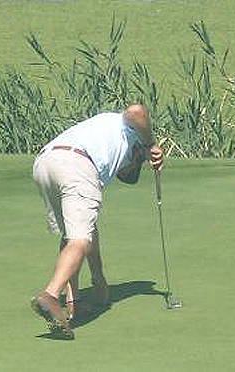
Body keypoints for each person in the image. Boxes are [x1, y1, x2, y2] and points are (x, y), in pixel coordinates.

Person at [31, 104, 163, 339]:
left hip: (46, 162)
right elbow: (137, 110)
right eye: (129, 167)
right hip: (77, 164)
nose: (123, 168)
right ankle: (50, 295)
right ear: (137, 154)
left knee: (74, 238)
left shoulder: (105, 132)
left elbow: (89, 231)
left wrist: (99, 280)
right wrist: (151, 144)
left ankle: (74, 301)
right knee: (79, 241)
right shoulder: (132, 133)